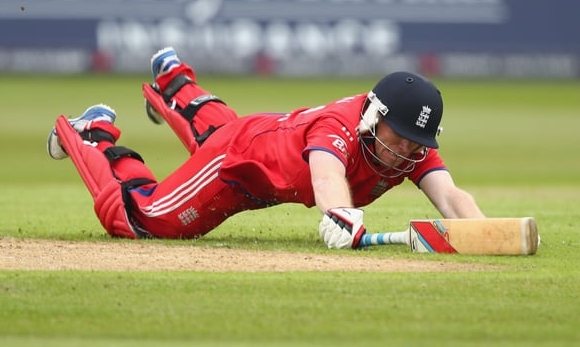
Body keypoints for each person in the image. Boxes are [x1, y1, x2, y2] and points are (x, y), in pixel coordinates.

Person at [47, 47, 485, 249]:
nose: (407, 152)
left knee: (215, 135)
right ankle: (93, 134)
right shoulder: (340, 126)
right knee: (144, 221)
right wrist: (341, 214)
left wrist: (486, 232)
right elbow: (327, 172)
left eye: (416, 144)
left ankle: (176, 82)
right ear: (374, 118)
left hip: (260, 146)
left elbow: (449, 195)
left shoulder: (410, 143)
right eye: (400, 138)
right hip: (236, 166)